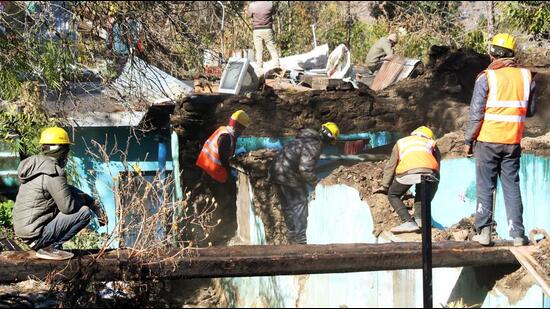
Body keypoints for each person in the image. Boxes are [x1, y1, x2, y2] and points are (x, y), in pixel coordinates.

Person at [464, 33, 536, 247]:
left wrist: (469, 139)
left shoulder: (487, 77)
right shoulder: (526, 77)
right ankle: (517, 235)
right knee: (511, 185)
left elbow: (476, 113)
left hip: (488, 140)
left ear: (491, 53)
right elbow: (530, 111)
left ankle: (484, 233)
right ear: (513, 53)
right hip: (512, 140)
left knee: (486, 185)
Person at [13, 127, 107, 260]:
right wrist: (88, 204)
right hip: (36, 236)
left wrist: (91, 201)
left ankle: (49, 246)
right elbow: (68, 208)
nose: (67, 155)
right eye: (67, 149)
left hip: (25, 233)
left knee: (73, 201)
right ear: (61, 150)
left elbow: (65, 189)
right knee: (84, 213)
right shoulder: (53, 171)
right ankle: (51, 248)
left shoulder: (38, 167)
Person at [269, 122, 340, 244]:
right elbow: (305, 169)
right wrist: (317, 184)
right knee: (299, 204)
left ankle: (292, 236)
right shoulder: (314, 145)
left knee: (288, 206)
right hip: (288, 176)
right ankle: (301, 240)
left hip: (275, 173)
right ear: (330, 139)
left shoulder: (301, 139)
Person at [374, 126, 441, 234]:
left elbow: (391, 165)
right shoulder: (431, 143)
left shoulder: (401, 142)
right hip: (430, 173)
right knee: (422, 194)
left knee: (393, 194)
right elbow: (438, 166)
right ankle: (420, 220)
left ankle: (408, 221)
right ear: (429, 136)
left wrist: (385, 186)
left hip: (407, 172)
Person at [196, 110, 250, 183]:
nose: (241, 132)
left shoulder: (222, 129)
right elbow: (224, 158)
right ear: (237, 126)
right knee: (226, 191)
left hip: (206, 166)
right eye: (242, 129)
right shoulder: (227, 137)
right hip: (215, 171)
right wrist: (230, 171)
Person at [248, 1, 280, 68]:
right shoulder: (270, 4)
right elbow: (274, 12)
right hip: (268, 29)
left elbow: (249, 15)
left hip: (257, 30)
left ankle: (259, 67)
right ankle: (277, 66)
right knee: (272, 49)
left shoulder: (252, 5)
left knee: (259, 51)